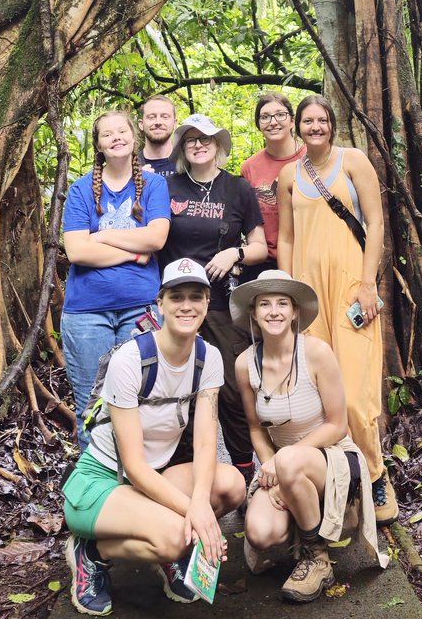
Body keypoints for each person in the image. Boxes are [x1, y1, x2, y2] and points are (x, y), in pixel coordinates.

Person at [62, 258, 246, 615]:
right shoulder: (131, 360)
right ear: (160, 303)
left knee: (231, 485)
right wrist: (196, 512)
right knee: (178, 534)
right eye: (177, 297)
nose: (187, 306)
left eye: (196, 296)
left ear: (207, 303)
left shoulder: (208, 358)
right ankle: (91, 553)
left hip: (153, 478)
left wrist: (200, 507)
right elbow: (133, 465)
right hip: (104, 482)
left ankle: (165, 545)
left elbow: (207, 443)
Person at [276, 95, 398, 524]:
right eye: (307, 121)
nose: (315, 127)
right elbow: (287, 238)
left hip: (350, 290)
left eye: (321, 120)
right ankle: (342, 483)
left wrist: (368, 283)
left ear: (331, 124)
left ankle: (376, 473)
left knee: (358, 393)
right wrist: (285, 292)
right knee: (320, 395)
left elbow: (377, 222)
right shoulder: (289, 175)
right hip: (308, 296)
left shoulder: (353, 161)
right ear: (297, 127)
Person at [231, 270, 388, 604]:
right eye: (265, 304)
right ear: (254, 313)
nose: (273, 311)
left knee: (291, 464)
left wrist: (287, 459)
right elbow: (256, 428)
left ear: (294, 311)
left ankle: (316, 556)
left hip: (330, 455)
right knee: (260, 534)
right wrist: (272, 465)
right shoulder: (245, 364)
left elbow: (337, 425)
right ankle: (301, 518)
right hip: (282, 463)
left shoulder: (316, 352)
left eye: (282, 303)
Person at [161, 114, 267, 487]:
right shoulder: (168, 187)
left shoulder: (237, 188)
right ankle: (183, 473)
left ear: (218, 146)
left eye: (206, 138)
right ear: (183, 148)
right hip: (176, 303)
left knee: (231, 390)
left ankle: (243, 469)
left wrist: (234, 254)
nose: (198, 144)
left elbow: (259, 246)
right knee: (176, 389)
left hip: (221, 303)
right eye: (190, 139)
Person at [61, 110, 170, 448]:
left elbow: (156, 239)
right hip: (86, 314)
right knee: (92, 406)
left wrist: (102, 238)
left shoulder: (154, 185)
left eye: (121, 131)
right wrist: (134, 251)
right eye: (107, 134)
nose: (116, 137)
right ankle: (96, 493)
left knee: (140, 400)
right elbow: (77, 251)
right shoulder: (81, 191)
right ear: (99, 145)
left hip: (140, 309)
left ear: (133, 136)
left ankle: (137, 486)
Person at [240, 91, 304, 280]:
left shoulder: (310, 157)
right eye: (265, 117)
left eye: (280, 115)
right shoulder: (249, 167)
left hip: (307, 256)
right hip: (265, 262)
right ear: (259, 124)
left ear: (292, 121)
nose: (273, 122)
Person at [138, 95, 178, 178]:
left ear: (175, 123)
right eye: (152, 117)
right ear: (141, 124)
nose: (158, 122)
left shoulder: (188, 163)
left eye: (165, 117)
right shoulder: (131, 167)